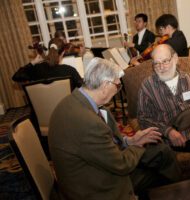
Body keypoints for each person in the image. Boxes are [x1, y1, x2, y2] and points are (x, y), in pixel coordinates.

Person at [48, 57, 181, 200]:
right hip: (96, 186)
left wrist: (130, 141)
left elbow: (101, 145)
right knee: (159, 174)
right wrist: (138, 144)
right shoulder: (88, 122)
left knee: (163, 152)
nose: (117, 91)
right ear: (105, 85)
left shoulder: (72, 101)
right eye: (117, 86)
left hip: (95, 165)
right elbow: (122, 164)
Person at [12, 38, 82, 89]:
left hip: (43, 108)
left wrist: (33, 62)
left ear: (49, 50)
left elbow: (16, 76)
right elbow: (82, 88)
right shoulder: (69, 70)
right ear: (63, 52)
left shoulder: (37, 69)